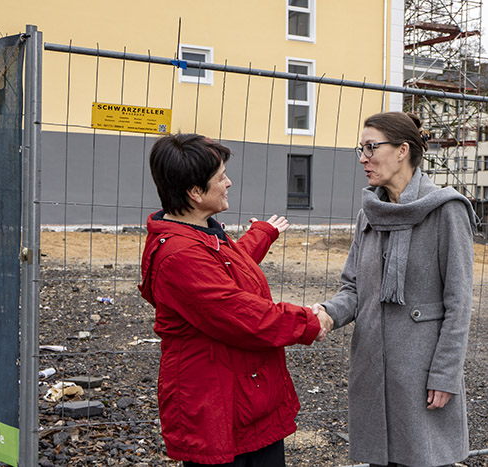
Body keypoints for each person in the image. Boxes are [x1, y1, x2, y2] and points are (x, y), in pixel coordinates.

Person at [139, 133, 333, 466]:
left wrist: (261, 235)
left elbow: (224, 270)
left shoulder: (200, 232)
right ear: (195, 192)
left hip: (241, 396)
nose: (228, 183)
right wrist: (309, 322)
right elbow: (240, 314)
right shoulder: (179, 256)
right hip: (215, 406)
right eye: (220, 178)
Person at [313, 111, 477, 467]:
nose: (362, 158)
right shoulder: (370, 212)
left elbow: (459, 303)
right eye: (360, 148)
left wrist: (445, 374)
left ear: (403, 150)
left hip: (422, 375)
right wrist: (327, 312)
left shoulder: (446, 211)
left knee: (424, 460)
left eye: (371, 147)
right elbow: (353, 288)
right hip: (373, 367)